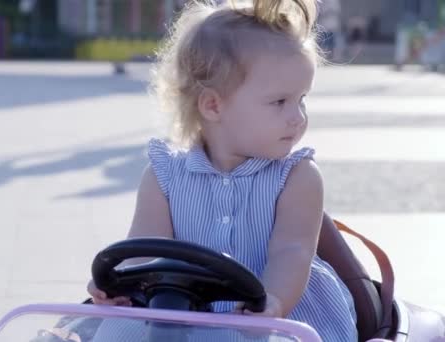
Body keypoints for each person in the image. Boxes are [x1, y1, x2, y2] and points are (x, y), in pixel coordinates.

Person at [87, 0, 357, 340]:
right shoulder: (165, 176)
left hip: (268, 313)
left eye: (301, 99)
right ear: (213, 105)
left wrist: (273, 301)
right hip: (180, 315)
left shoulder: (296, 177)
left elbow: (292, 251)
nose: (297, 117)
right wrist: (115, 282)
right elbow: (141, 251)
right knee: (113, 332)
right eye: (279, 102)